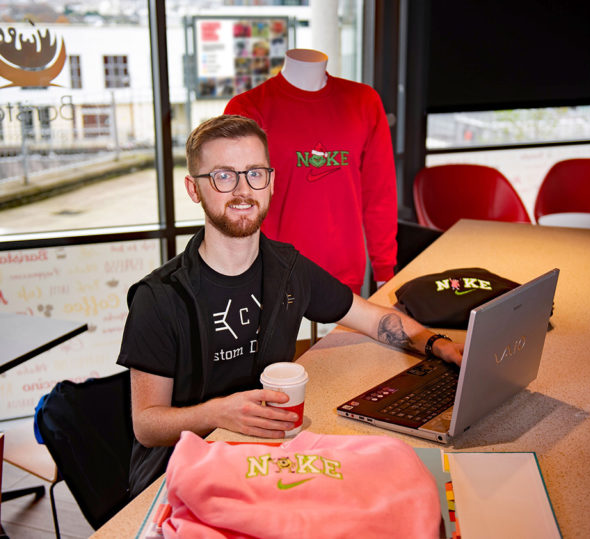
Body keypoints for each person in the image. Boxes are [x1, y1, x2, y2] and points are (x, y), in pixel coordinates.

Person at [116, 115, 462, 497]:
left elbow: (372, 317)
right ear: (194, 189)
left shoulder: (288, 269)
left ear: (272, 182)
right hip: (179, 472)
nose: (243, 190)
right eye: (223, 176)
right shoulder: (159, 297)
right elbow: (146, 424)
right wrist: (218, 413)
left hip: (265, 455)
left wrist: (437, 344)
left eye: (254, 174)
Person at [224, 49, 397, 293]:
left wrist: (385, 272)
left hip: (345, 274)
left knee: (343, 331)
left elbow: (380, 194)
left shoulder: (363, 102)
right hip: (276, 274)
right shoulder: (249, 108)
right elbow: (236, 202)